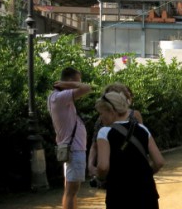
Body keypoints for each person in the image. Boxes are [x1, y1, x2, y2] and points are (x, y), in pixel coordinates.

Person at [94, 91, 164, 209]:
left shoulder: (104, 132)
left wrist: (100, 178)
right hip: (147, 193)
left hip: (119, 195)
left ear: (111, 111)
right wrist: (144, 174)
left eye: (101, 113)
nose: (101, 118)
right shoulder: (142, 129)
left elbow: (103, 166)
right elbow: (159, 162)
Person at [48, 66, 92, 209]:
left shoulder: (56, 97)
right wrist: (67, 85)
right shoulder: (60, 97)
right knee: (71, 191)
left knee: (70, 190)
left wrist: (67, 84)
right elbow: (87, 88)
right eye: (77, 81)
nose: (79, 84)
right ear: (70, 81)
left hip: (71, 148)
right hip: (74, 149)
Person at [89, 83, 143, 184]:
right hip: (134, 169)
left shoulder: (102, 120)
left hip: (112, 171)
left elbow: (94, 146)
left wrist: (91, 166)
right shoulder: (135, 115)